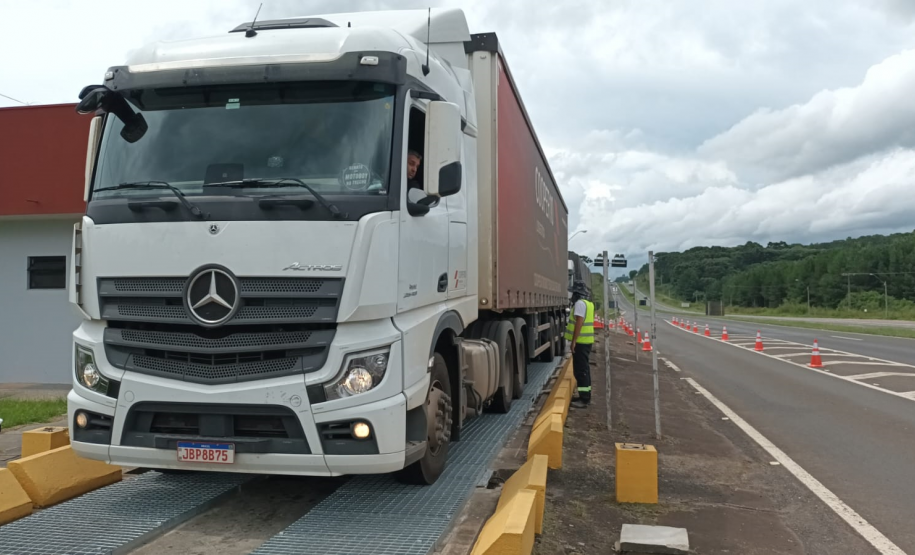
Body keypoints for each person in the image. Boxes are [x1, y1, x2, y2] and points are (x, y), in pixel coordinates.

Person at [565, 282, 595, 409]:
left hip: (581, 342)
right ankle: (584, 395)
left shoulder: (579, 304)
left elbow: (579, 322)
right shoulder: (588, 304)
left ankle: (584, 399)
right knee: (584, 369)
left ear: (577, 294)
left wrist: (574, 341)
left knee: (581, 370)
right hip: (586, 341)